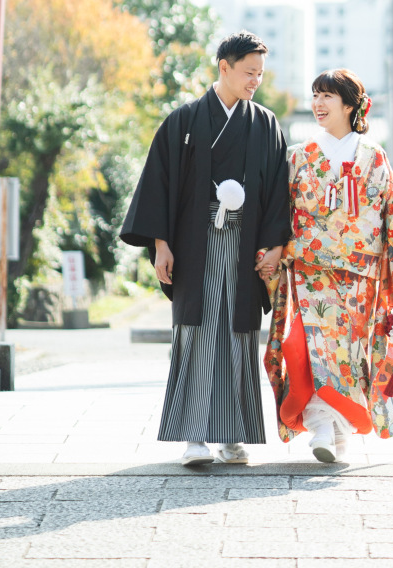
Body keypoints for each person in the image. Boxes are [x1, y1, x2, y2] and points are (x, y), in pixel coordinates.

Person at [121, 30, 291, 467]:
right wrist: (161, 245)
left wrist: (273, 246)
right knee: (195, 334)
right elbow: (159, 186)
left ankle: (233, 435)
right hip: (195, 245)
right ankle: (195, 436)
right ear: (224, 67)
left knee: (238, 336)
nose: (255, 81)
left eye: (260, 74)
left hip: (243, 246)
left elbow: (277, 192)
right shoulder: (183, 121)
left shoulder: (265, 124)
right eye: (249, 72)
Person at [262, 68, 393, 463]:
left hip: (362, 278)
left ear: (350, 105)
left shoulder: (374, 156)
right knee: (315, 349)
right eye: (315, 96)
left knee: (352, 354)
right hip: (311, 271)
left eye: (327, 96)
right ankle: (322, 426)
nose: (318, 104)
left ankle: (338, 434)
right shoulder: (300, 156)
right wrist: (272, 250)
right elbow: (278, 212)